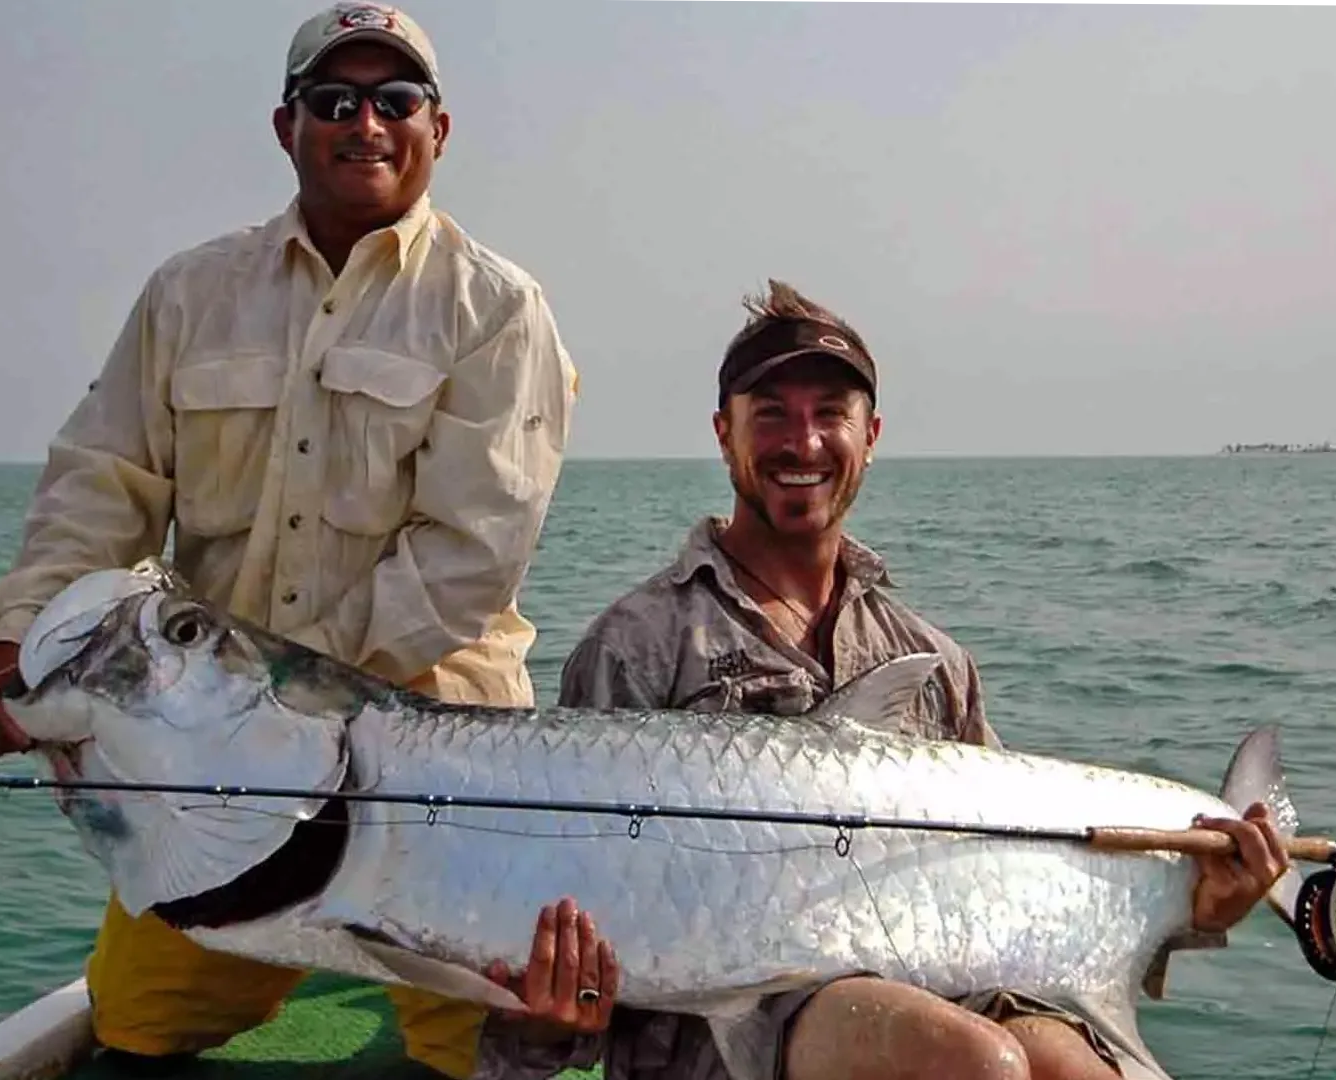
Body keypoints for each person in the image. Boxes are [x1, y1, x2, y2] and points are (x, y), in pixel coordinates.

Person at [0, 4, 581, 1076]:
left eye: (396, 101)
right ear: (287, 127)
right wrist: (21, 634)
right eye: (335, 102)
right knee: (133, 1028)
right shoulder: (189, 294)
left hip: (437, 770)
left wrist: (272, 709)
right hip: (218, 787)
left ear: (440, 127)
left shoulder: (498, 311)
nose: (365, 124)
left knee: (489, 1051)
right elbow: (103, 485)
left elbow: (470, 557)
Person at [478, 280, 1289, 1080]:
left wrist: (1197, 913)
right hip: (733, 1027)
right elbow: (568, 936)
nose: (803, 443)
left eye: (830, 414)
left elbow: (1020, 877)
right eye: (772, 417)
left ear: (871, 436)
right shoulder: (637, 648)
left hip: (945, 979)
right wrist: (544, 1018)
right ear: (724, 436)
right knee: (980, 1065)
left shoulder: (930, 661)